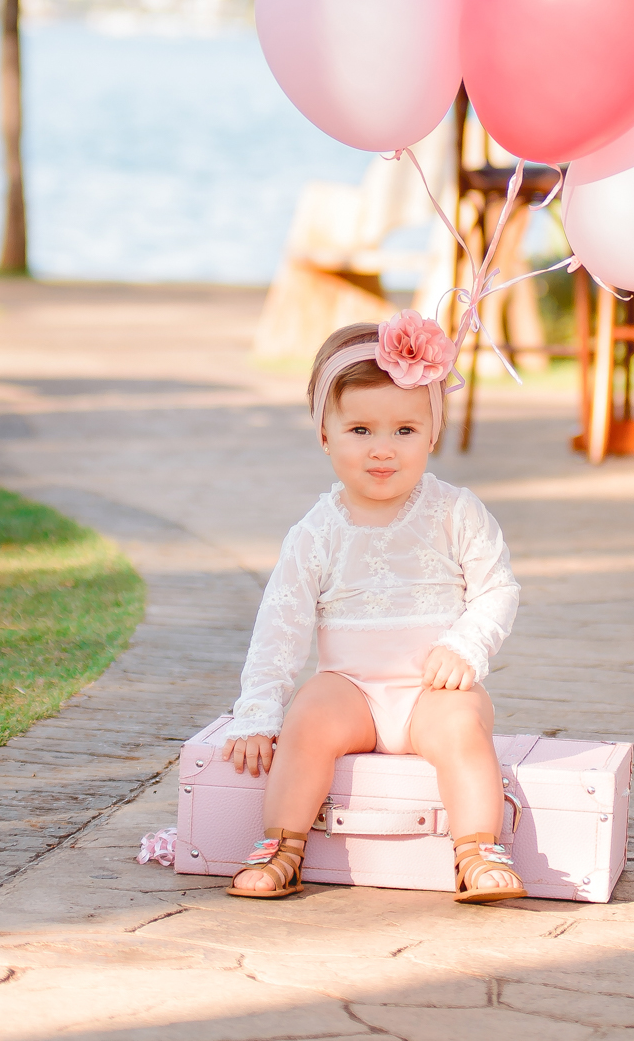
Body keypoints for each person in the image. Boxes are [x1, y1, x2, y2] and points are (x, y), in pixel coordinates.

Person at [223, 311, 524, 903]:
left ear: (432, 432)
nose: (382, 451)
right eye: (360, 430)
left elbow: (497, 589)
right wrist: (257, 711)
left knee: (462, 725)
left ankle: (478, 849)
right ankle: (283, 844)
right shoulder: (317, 530)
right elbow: (280, 625)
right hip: (352, 689)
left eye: (404, 431)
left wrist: (464, 646)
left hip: (428, 692)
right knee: (308, 717)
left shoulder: (455, 512)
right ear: (325, 435)